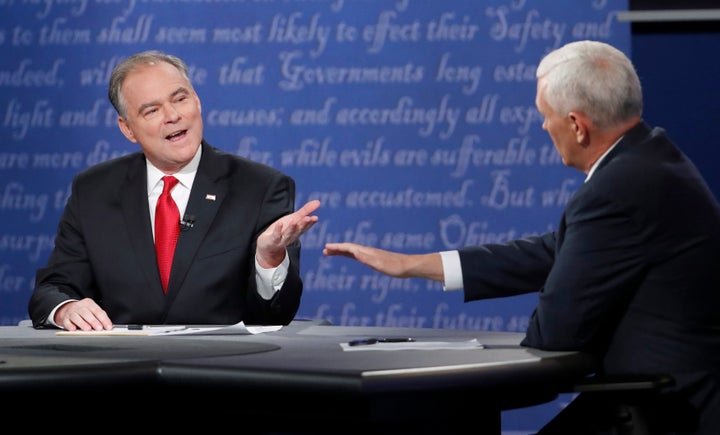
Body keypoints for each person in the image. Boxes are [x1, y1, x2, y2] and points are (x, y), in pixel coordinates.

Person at [323, 40, 720, 434]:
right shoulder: (652, 157)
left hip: (663, 411)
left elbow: (554, 333)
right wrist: (414, 265)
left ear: (577, 125)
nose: (544, 126)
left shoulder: (617, 188)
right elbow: (560, 250)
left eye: (545, 116)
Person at [28, 50, 320, 331]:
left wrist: (268, 261)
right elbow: (53, 287)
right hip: (121, 367)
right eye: (152, 110)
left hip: (222, 368)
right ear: (127, 129)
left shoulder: (259, 188)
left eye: (180, 99)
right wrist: (66, 307)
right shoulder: (93, 191)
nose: (172, 116)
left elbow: (275, 315)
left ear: (197, 101)